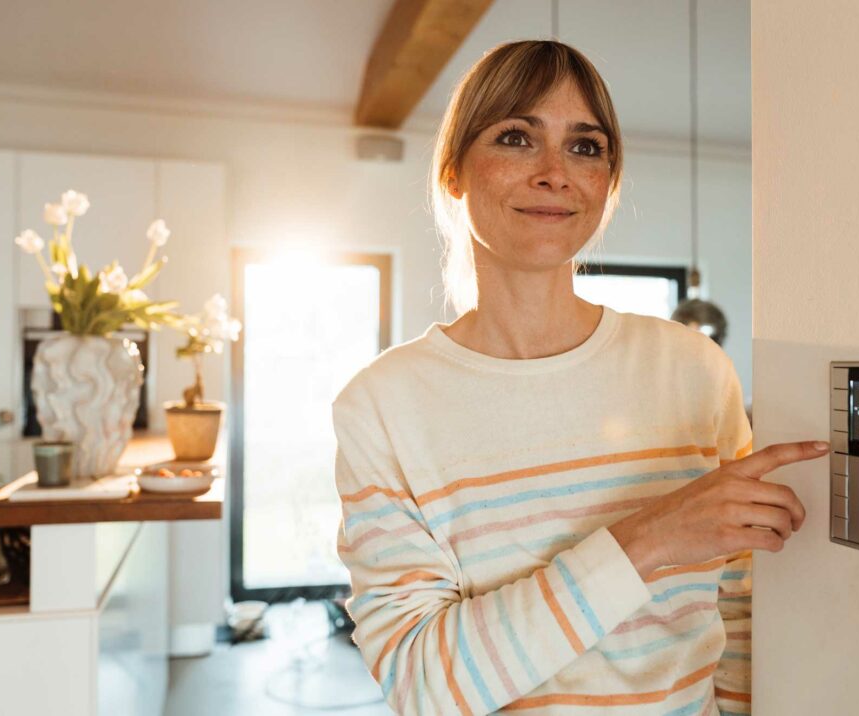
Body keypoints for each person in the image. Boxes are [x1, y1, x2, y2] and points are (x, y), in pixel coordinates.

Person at [333, 40, 827, 715]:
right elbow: (423, 684)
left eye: (585, 147)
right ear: (453, 173)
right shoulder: (382, 406)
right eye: (516, 138)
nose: (554, 173)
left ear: (608, 183)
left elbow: (742, 611)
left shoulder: (693, 370)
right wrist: (651, 538)